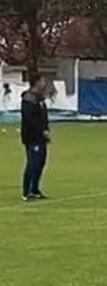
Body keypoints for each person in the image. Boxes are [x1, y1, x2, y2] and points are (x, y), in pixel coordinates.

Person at [20, 74, 51, 202]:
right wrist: (40, 131)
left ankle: (35, 189)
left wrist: (46, 129)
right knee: (33, 163)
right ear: (36, 82)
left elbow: (43, 116)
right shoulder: (29, 98)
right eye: (43, 81)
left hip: (41, 136)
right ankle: (26, 191)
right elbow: (29, 119)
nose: (44, 83)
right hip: (32, 136)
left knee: (41, 162)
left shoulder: (40, 98)